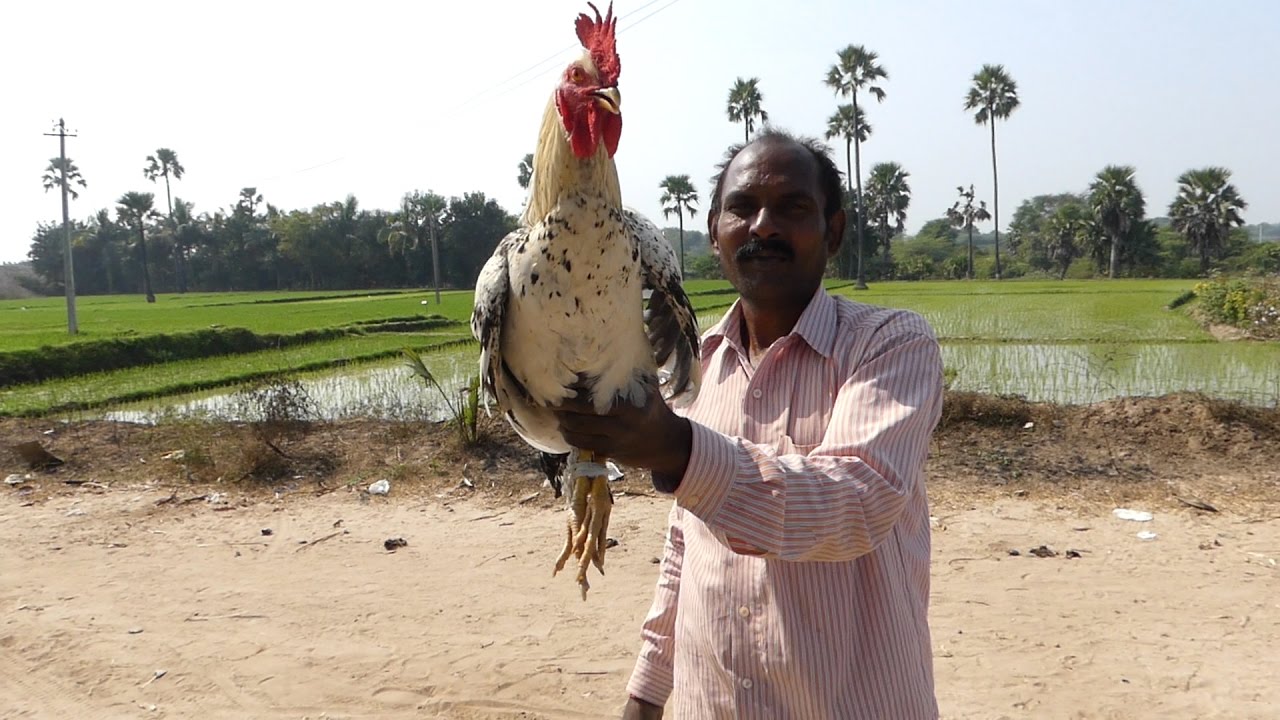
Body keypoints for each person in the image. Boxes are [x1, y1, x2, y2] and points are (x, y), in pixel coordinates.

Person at [554, 128, 943, 719]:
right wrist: (646, 692)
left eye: (792, 208)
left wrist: (679, 451)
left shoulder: (889, 345)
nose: (764, 226)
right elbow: (686, 547)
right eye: (742, 207)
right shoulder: (699, 365)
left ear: (832, 230)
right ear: (715, 232)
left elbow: (856, 505)